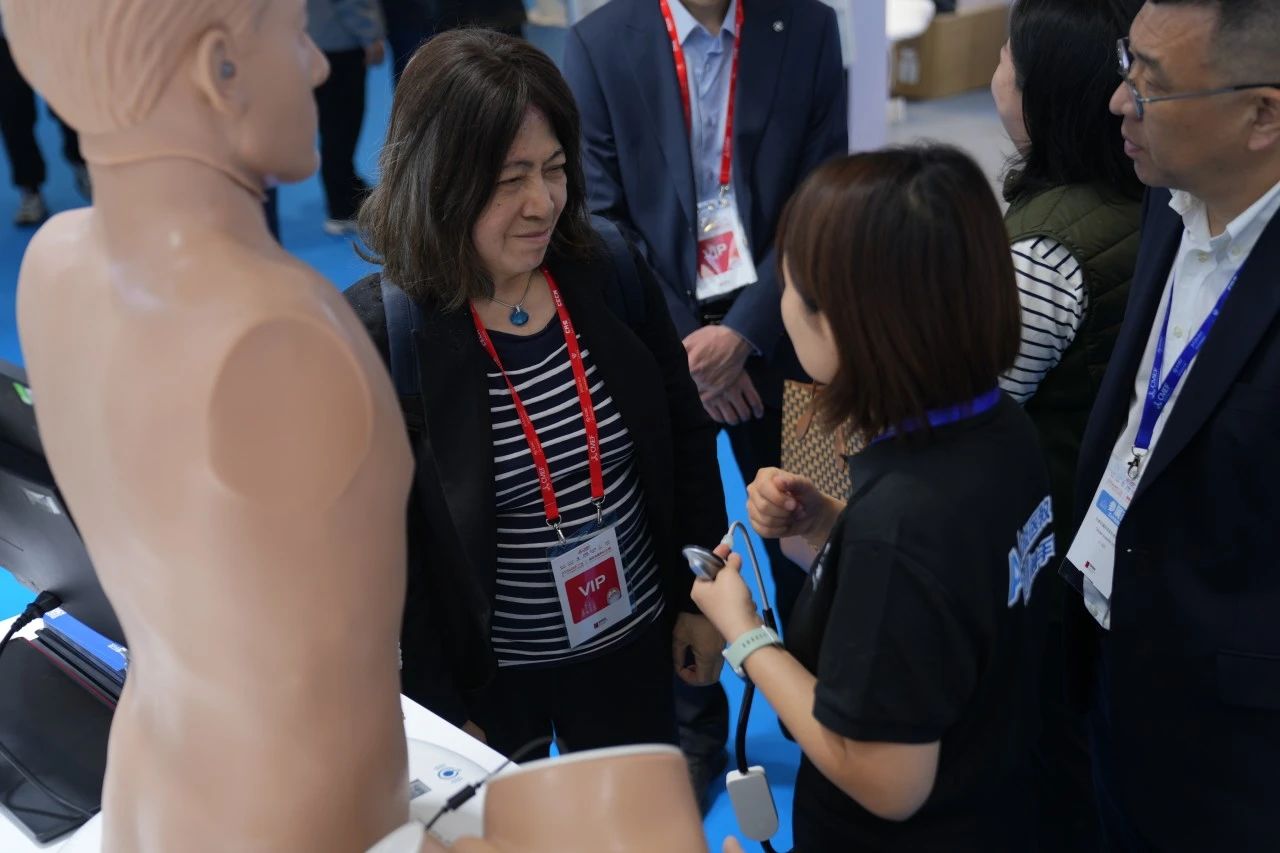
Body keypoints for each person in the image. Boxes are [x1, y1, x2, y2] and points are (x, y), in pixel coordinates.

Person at [344, 30, 728, 762]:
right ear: (439, 180)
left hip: (633, 643)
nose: (542, 203)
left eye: (554, 170)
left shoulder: (609, 270)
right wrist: (438, 704)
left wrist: (699, 596)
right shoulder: (382, 333)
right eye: (508, 178)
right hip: (493, 684)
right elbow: (389, 556)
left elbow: (686, 438)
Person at [692, 145, 1055, 852]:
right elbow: (951, 595)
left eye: (791, 288)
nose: (783, 308)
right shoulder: (1000, 428)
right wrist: (834, 526)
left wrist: (746, 633)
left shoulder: (900, 526)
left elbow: (887, 779)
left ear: (848, 324)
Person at [562, 0, 848, 803]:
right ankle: (693, 728)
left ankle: (825, 701)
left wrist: (745, 333)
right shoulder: (597, 43)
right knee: (675, 536)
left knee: (818, 520)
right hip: (661, 342)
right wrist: (691, 345)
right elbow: (601, 215)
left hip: (793, 329)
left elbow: (821, 196)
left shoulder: (809, 25)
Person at [1060, 1, 1280, 849]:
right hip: (1114, 663)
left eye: (1149, 85)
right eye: (1128, 66)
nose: (1120, 102)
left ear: (1262, 114)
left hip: (1238, 749)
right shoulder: (1169, 198)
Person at [989, 0, 1143, 846]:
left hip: (1052, 557)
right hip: (1105, 546)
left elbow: (978, 405)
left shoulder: (1043, 252)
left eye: (1007, 59)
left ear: (1045, 92)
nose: (996, 73)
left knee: (1053, 762)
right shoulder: (1143, 194)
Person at [0, 8, 89, 224]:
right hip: (5, 36)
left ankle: (82, 162)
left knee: (67, 102)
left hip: (51, 26)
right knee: (13, 113)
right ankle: (30, 188)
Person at [307, 0, 385, 235]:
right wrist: (370, 35)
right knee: (341, 127)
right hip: (339, 44)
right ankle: (341, 209)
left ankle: (347, 188)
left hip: (315, 38)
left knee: (333, 125)